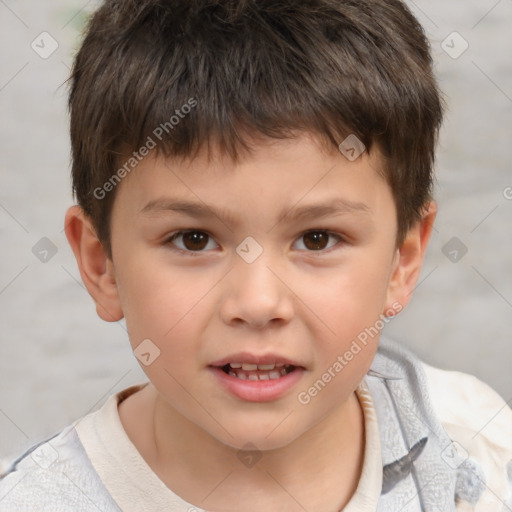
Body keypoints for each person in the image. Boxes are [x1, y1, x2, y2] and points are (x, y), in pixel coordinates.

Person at [1, 0, 510, 510]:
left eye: (317, 239)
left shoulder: (477, 452)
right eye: (193, 239)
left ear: (402, 260)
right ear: (101, 265)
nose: (259, 303)